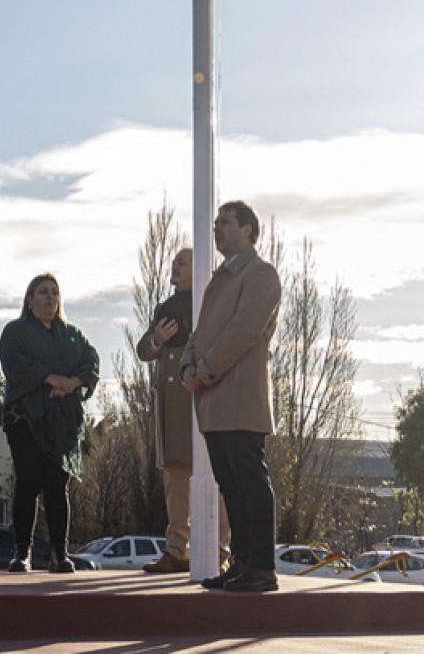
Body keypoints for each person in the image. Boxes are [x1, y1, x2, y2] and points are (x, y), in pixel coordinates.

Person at [182, 200, 282, 593]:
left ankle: (262, 567)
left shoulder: (260, 274)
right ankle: (242, 563)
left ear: (248, 230)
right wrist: (187, 366)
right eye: (216, 223)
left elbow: (243, 332)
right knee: (231, 484)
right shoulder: (218, 280)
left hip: (239, 398)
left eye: (225, 223)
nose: (217, 229)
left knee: (250, 481)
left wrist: (203, 371)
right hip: (212, 399)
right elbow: (200, 331)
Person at [0, 272, 99, 574]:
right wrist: (48, 377)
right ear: (29, 300)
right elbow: (13, 362)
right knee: (28, 482)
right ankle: (22, 553)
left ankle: (59, 553)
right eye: (42, 292)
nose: (50, 297)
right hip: (25, 418)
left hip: (62, 422)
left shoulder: (71, 334)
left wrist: (72, 382)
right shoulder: (15, 331)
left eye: (54, 292)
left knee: (57, 486)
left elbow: (91, 359)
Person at [136, 246, 226, 574]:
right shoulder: (164, 307)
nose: (175, 266)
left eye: (183, 262)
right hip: (172, 400)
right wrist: (158, 338)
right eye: (174, 262)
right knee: (175, 475)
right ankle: (177, 550)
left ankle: (219, 551)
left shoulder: (214, 300)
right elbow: (144, 350)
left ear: (200, 267)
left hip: (205, 394)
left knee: (216, 473)